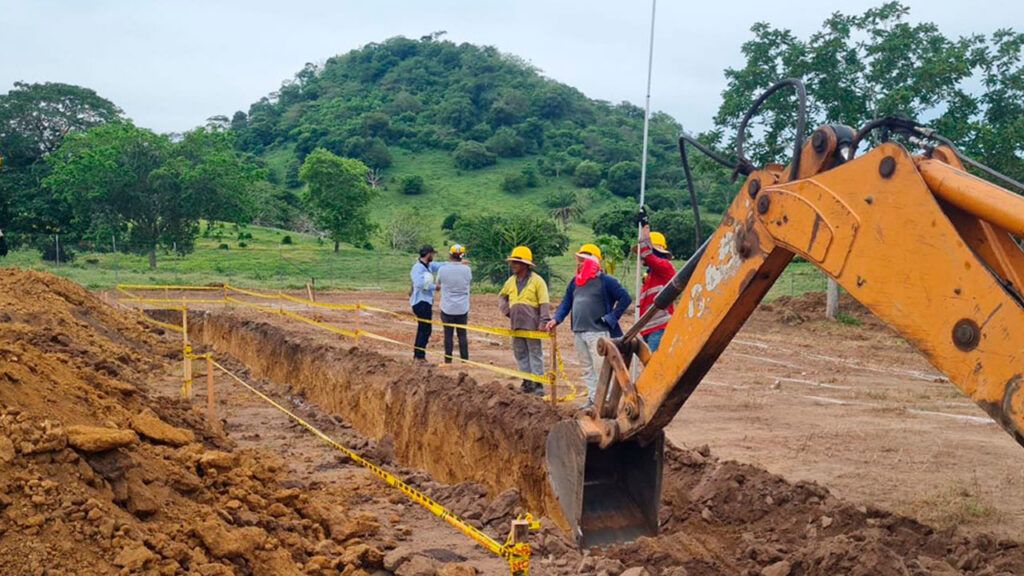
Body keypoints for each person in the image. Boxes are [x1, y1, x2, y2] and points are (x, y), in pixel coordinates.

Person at [545, 243, 632, 408]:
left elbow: (625, 298)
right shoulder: (575, 283)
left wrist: (611, 317)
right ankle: (593, 399)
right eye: (579, 260)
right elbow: (566, 303)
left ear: (593, 262)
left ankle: (605, 402)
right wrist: (556, 319)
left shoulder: (606, 281)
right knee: (586, 368)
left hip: (597, 333)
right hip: (579, 332)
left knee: (601, 369)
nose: (579, 264)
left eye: (583, 261)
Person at [499, 246, 551, 395]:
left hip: (532, 325)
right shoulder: (510, 281)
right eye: (512, 262)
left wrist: (543, 321)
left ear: (525, 265)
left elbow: (544, 303)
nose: (513, 265)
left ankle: (538, 383)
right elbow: (502, 296)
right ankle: (527, 382)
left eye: (516, 262)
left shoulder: (537, 281)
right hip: (516, 325)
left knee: (535, 353)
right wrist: (507, 311)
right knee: (520, 353)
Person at [637, 207, 677, 352]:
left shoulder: (665, 267)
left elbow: (647, 254)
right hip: (648, 328)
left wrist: (645, 227)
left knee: (654, 363)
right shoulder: (650, 276)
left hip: (659, 327)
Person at [436, 244, 472, 364]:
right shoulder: (467, 269)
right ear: (462, 256)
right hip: (462, 308)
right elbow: (468, 281)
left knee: (448, 335)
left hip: (447, 307)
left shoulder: (443, 269)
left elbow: (438, 284)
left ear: (450, 255)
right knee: (462, 335)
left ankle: (448, 360)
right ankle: (464, 360)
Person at [409, 245, 445, 361]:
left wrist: (456, 263)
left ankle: (419, 355)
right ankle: (419, 356)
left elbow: (441, 265)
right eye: (432, 254)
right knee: (425, 329)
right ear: (428, 254)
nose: (433, 256)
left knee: (424, 328)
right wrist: (435, 287)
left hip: (426, 301)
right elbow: (419, 284)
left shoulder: (428, 266)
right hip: (421, 302)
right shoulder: (417, 268)